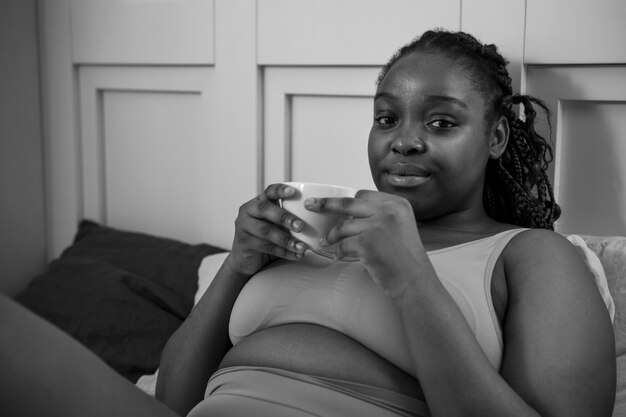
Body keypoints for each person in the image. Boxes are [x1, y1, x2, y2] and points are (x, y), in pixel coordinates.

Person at [0, 29, 616, 417]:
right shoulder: (316, 233)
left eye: (441, 122)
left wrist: (410, 277)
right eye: (386, 118)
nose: (403, 142)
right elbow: (174, 400)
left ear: (498, 136)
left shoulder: (533, 257)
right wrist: (237, 267)